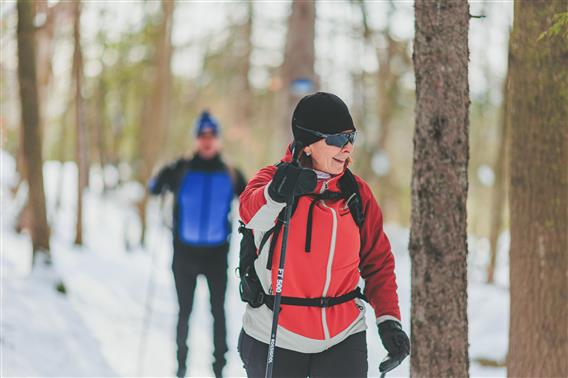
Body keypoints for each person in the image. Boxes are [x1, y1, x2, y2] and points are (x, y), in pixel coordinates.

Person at [237, 92, 410, 377]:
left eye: (351, 137)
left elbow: (378, 263)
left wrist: (389, 321)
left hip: (343, 337)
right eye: (337, 140)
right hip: (276, 335)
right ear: (307, 145)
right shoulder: (273, 180)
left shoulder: (356, 193)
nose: (347, 149)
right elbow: (249, 213)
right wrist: (277, 193)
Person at [148, 110, 247, 378]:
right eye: (202, 135)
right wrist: (162, 175)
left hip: (216, 254)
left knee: (218, 312)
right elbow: (153, 188)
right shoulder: (182, 168)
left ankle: (219, 368)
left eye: (211, 135)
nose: (207, 140)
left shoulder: (230, 172)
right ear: (196, 138)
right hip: (184, 254)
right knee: (184, 312)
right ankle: (181, 366)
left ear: (218, 139)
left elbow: (251, 202)